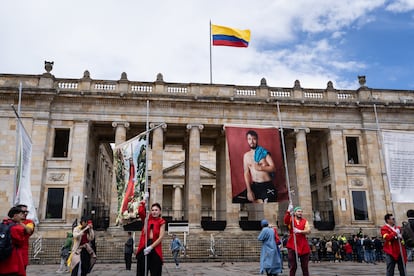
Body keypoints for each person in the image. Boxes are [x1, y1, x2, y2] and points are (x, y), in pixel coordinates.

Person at [243, 130, 276, 203]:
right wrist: (249, 190)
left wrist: (261, 168)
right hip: (255, 185)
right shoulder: (246, 156)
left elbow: (273, 168)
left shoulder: (264, 153)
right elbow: (246, 173)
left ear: (257, 139)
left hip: (266, 185)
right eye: (249, 139)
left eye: (254, 139)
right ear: (247, 140)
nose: (252, 141)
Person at [135, 200, 166, 276]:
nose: (154, 212)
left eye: (156, 210)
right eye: (152, 210)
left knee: (155, 271)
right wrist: (143, 202)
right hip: (144, 246)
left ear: (160, 212)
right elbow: (141, 212)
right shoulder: (147, 219)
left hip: (155, 247)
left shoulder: (161, 221)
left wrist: (151, 247)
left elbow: (161, 237)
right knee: (141, 271)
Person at [284, 204, 311, 276]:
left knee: (305, 267)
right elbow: (286, 221)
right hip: (293, 244)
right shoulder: (291, 220)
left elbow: (308, 231)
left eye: (301, 211)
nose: (300, 213)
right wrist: (288, 211)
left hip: (303, 245)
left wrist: (300, 231)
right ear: (295, 212)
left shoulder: (305, 221)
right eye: (298, 211)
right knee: (293, 266)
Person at [0, 206, 27, 276]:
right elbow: (21, 242)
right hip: (13, 260)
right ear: (15, 215)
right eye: (21, 214)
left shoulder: (3, 224)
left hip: (3, 259)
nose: (23, 216)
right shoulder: (16, 228)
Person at [15, 204, 35, 271]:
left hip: (22, 252)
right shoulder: (10, 222)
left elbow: (29, 230)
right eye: (23, 212)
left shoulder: (29, 222)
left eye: (26, 212)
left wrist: (19, 222)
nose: (25, 213)